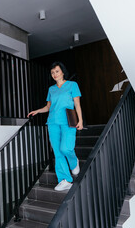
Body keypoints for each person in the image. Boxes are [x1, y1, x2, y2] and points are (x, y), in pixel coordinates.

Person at [27, 61, 83, 191]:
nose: (54, 74)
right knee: (58, 152)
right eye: (52, 72)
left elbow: (77, 104)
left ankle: (74, 162)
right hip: (52, 123)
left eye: (57, 71)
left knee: (66, 148)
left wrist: (80, 120)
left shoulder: (72, 85)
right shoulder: (51, 89)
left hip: (68, 122)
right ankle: (65, 180)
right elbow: (48, 107)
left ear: (62, 72)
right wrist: (37, 111)